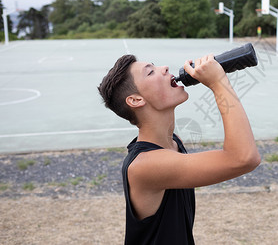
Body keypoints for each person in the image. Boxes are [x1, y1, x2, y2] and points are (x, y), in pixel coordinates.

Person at [97, 53, 260, 244]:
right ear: (135, 100)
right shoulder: (145, 165)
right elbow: (244, 158)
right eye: (150, 72)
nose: (164, 68)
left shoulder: (173, 143)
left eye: (155, 65)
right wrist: (218, 83)